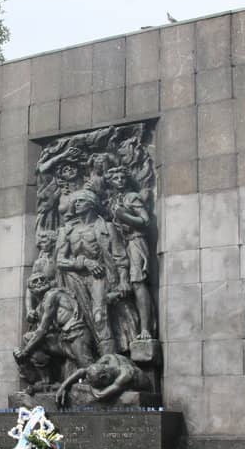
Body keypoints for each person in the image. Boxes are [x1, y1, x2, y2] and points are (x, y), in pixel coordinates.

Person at [55, 189, 133, 354]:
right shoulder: (67, 230)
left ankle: (109, 361)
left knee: (99, 317)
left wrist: (124, 280)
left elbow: (120, 257)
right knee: (81, 323)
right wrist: (83, 262)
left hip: (100, 277)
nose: (76, 204)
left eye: (81, 201)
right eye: (75, 202)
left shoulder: (107, 227)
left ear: (91, 204)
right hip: (74, 279)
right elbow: (60, 261)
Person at [13, 273, 96, 389]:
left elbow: (42, 330)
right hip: (62, 339)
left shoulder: (53, 295)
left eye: (42, 279)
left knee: (90, 370)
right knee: (28, 337)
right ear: (31, 290)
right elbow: (38, 333)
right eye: (35, 281)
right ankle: (46, 381)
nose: (40, 282)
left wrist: (25, 352)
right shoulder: (40, 306)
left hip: (77, 334)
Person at [105, 165, 154, 339]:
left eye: (122, 178)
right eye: (115, 178)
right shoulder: (112, 200)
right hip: (120, 243)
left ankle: (145, 329)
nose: (119, 181)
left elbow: (145, 221)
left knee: (138, 282)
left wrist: (124, 215)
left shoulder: (131, 197)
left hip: (136, 240)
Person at [55, 353, 150, 407]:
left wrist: (89, 388)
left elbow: (100, 395)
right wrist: (63, 386)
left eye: (97, 384)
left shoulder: (124, 375)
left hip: (144, 387)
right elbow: (83, 371)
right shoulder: (108, 358)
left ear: (104, 377)